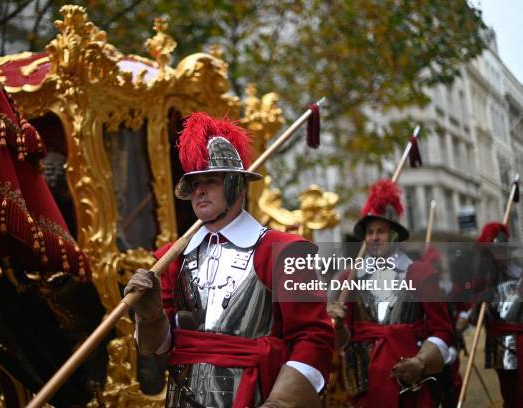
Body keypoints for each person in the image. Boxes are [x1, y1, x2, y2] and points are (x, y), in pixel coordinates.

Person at [123, 112, 334, 407]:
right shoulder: (170, 258)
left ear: (236, 184)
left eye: (211, 180)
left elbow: (314, 338)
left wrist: (280, 403)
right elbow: (156, 348)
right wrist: (149, 315)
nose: (199, 190)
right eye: (194, 183)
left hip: (256, 396)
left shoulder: (286, 251)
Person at [327, 179, 453, 407]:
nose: (374, 237)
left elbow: (442, 330)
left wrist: (421, 362)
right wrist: (336, 326)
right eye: (370, 232)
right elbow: (344, 341)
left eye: (381, 231)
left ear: (395, 236)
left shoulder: (420, 273)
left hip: (410, 374)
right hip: (364, 378)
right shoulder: (349, 279)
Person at [473, 222, 522, 408]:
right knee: (510, 394)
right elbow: (474, 318)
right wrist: (481, 298)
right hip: (499, 344)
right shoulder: (485, 278)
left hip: (520, 336)